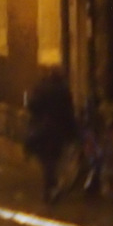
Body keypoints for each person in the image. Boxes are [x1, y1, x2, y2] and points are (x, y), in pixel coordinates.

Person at [25, 70, 78, 203]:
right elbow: (69, 113)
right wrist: (73, 133)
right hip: (57, 131)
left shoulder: (40, 89)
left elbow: (31, 106)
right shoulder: (64, 91)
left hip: (41, 130)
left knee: (47, 162)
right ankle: (51, 188)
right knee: (53, 160)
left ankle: (50, 189)